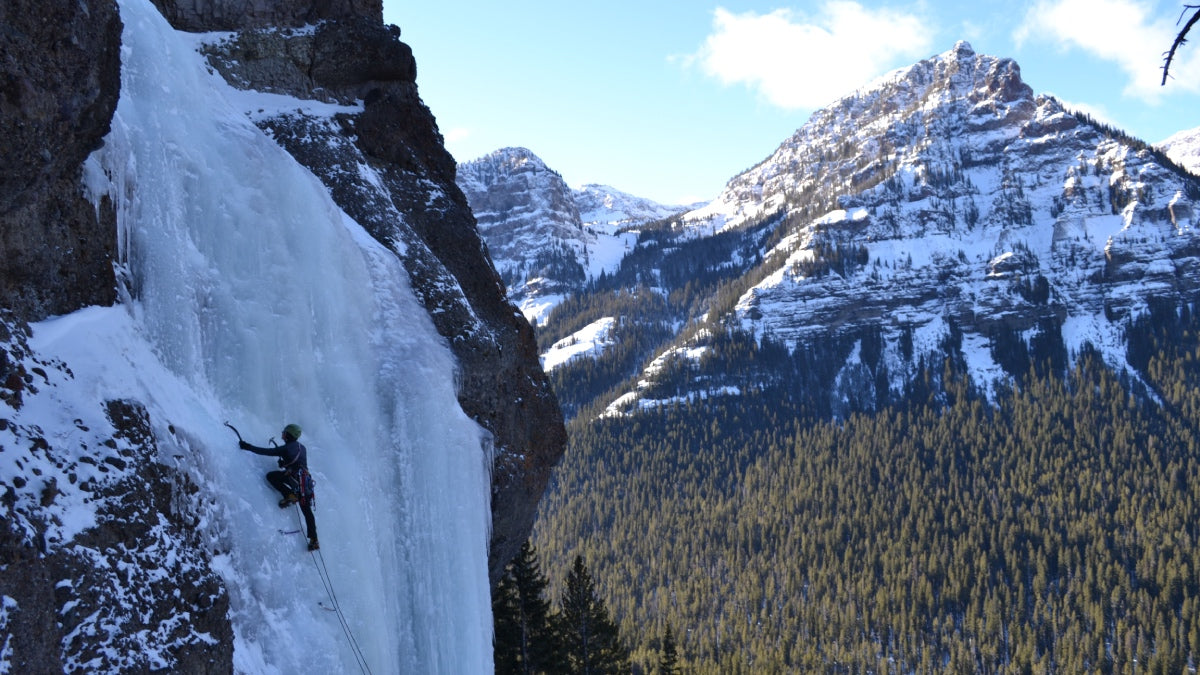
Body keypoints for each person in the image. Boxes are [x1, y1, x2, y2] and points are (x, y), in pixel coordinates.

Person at [240, 423, 319, 551]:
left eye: (284, 432)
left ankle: (289, 495)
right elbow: (297, 462)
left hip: (294, 480)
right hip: (305, 483)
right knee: (307, 512)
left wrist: (247, 447)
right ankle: (314, 540)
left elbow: (266, 452)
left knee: (271, 476)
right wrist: (285, 463)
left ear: (288, 435)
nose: (282, 434)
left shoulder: (286, 448)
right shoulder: (302, 448)